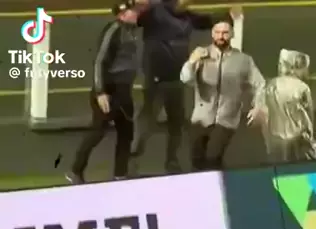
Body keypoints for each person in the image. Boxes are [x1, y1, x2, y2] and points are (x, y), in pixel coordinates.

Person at [132, 0, 241, 174]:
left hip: (176, 78)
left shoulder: (187, 17)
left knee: (176, 123)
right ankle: (132, 157)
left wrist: (229, 13)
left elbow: (207, 20)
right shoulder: (156, 11)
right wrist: (137, 4)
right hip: (157, 79)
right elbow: (137, 18)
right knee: (147, 121)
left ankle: (172, 162)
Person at [66, 1, 139, 185]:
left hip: (124, 91)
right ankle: (75, 170)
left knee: (126, 133)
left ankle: (120, 175)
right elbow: (100, 61)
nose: (135, 13)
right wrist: (101, 92)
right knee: (98, 131)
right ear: (121, 15)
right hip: (110, 90)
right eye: (131, 12)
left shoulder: (132, 30)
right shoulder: (114, 30)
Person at [180, 16, 265, 171]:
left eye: (225, 32)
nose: (221, 36)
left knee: (213, 157)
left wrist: (258, 105)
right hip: (201, 117)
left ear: (231, 34)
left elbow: (260, 84)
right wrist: (192, 61)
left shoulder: (243, 60)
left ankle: (218, 181)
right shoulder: (201, 54)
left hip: (226, 119)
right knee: (197, 160)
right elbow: (185, 79)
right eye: (218, 32)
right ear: (212, 34)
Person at [260, 49, 316, 163]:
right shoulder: (302, 88)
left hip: (276, 138)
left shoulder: (271, 85)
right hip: (299, 139)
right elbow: (310, 114)